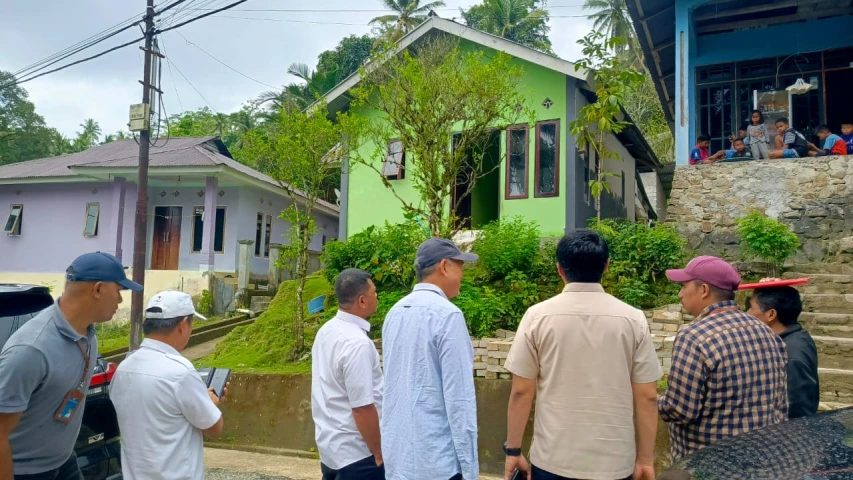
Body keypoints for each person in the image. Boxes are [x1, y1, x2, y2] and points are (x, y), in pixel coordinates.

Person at [503, 231, 661, 480]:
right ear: (606, 266)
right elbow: (648, 396)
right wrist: (645, 460)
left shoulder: (537, 317)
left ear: (559, 269)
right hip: (615, 463)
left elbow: (521, 392)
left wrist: (513, 450)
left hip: (553, 459)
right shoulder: (633, 319)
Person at [0, 252, 141, 480]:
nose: (120, 300)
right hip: (27, 473)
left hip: (65, 461)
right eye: (118, 290)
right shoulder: (30, 350)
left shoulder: (87, 334)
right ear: (98, 290)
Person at [658, 256, 788, 462]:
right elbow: (780, 404)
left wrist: (652, 400)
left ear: (704, 290)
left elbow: (680, 411)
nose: (680, 294)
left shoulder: (694, 337)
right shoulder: (767, 332)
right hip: (763, 460)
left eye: (684, 286)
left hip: (709, 464)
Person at [381, 238, 480, 480]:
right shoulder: (448, 316)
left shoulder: (394, 313)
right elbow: (460, 401)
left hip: (398, 460)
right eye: (460, 267)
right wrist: (470, 470)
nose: (463, 275)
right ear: (444, 266)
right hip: (438, 464)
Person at [110, 291, 226, 480]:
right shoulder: (181, 372)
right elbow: (214, 428)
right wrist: (211, 402)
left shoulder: (124, 368)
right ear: (183, 325)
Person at [312, 269, 384, 480]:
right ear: (362, 300)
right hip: (359, 455)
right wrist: (378, 452)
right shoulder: (357, 344)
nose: (377, 296)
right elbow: (362, 407)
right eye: (374, 292)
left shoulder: (326, 331)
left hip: (331, 450)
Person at [746, 281, 819, 419]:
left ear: (771, 314)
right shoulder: (794, 336)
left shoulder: (791, 354)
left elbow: (796, 410)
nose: (747, 313)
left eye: (750, 308)